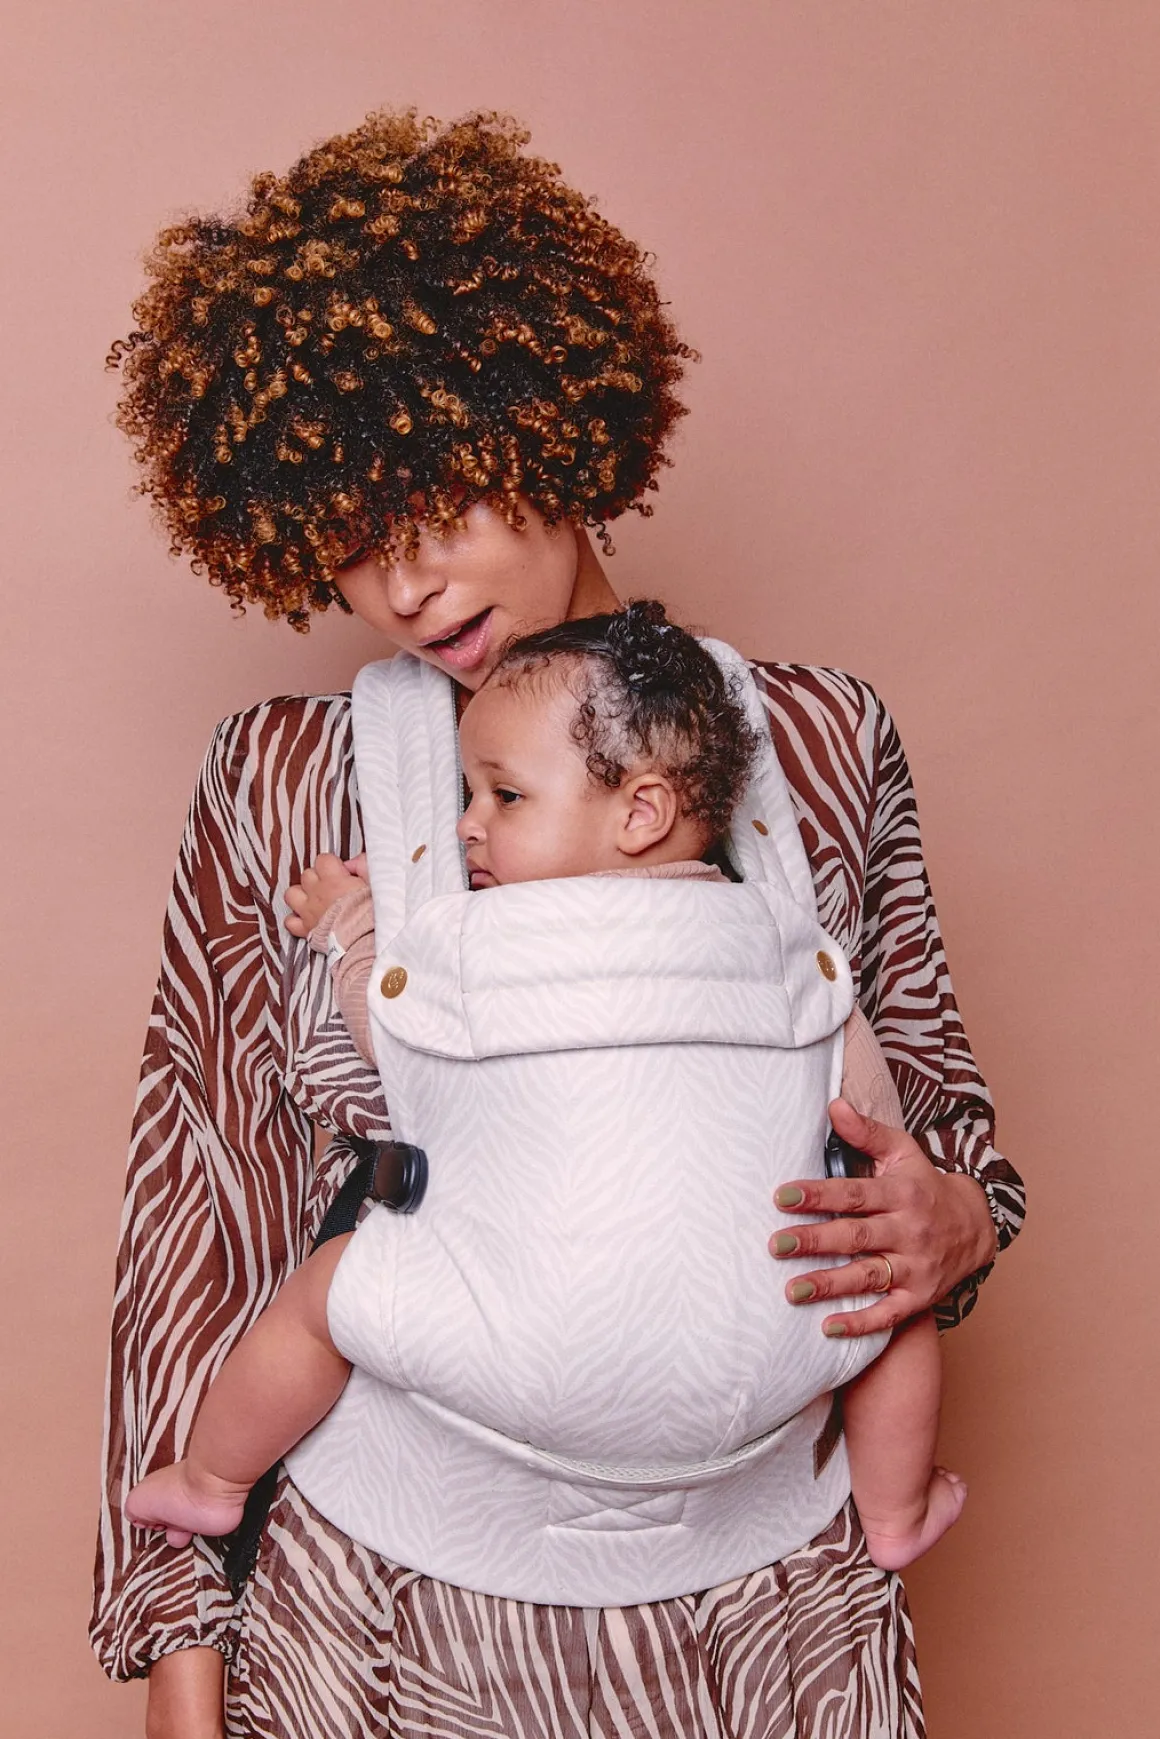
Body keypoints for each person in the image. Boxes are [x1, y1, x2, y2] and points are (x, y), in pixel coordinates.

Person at [93, 109, 1025, 1738]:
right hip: (369, 1629)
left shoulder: (818, 740)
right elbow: (201, 1216)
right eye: (350, 542)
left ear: (548, 421)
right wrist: (180, 1653)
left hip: (777, 1629)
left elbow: (941, 1127)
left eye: (438, 505)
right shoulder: (286, 776)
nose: (402, 586)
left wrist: (955, 1218)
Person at [122, 602, 965, 1579]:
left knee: (323, 1297)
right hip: (763, 1356)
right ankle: (895, 1509)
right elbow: (868, 1119)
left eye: (504, 795)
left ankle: (213, 1478)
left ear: (641, 812)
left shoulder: (482, 939)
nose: (466, 823)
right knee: (892, 1307)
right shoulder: (784, 945)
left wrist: (352, 924)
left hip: (515, 1358)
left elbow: (395, 1038)